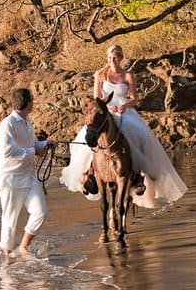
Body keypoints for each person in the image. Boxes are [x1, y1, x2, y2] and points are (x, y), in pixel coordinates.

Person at [60, 44, 187, 208]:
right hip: (105, 110)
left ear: (120, 58)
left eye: (114, 58)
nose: (111, 61)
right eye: (109, 58)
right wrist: (107, 107)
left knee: (140, 134)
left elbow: (134, 98)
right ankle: (89, 173)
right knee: (89, 137)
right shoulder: (100, 74)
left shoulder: (128, 75)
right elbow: (96, 98)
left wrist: (124, 106)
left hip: (123, 110)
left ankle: (137, 174)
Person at [0, 88, 56, 257]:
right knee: (9, 220)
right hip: (10, 179)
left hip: (28, 177)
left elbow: (34, 144)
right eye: (32, 102)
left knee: (40, 212)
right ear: (29, 104)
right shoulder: (7, 125)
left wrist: (45, 145)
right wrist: (33, 151)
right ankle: (6, 256)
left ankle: (22, 248)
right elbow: (7, 152)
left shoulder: (27, 122)